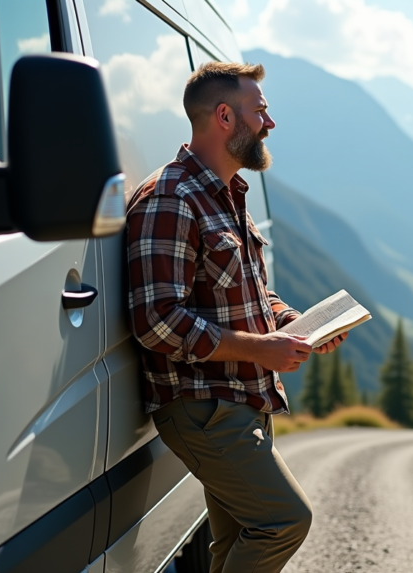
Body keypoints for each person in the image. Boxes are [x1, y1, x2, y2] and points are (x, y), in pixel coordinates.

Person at [125, 61, 345, 572]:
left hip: (239, 401)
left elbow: (250, 291)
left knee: (235, 543)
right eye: (260, 112)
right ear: (225, 116)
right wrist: (258, 349)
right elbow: (156, 320)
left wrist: (291, 322)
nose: (270, 124)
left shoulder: (226, 195)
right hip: (203, 407)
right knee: (283, 520)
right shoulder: (172, 197)